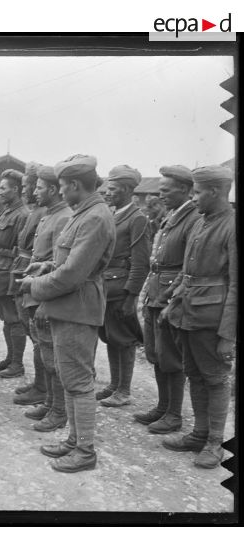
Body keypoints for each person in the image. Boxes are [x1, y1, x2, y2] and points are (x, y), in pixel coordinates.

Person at [19, 154, 116, 473]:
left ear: (75, 185)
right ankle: (75, 440)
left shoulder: (94, 217)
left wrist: (34, 285)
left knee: (78, 381)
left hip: (78, 306)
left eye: (61, 186)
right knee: (70, 377)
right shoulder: (85, 212)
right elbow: (70, 260)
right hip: (70, 305)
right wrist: (46, 265)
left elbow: (74, 273)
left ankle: (85, 450)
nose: (59, 192)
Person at [161, 165, 236, 469]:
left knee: (216, 379)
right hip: (188, 313)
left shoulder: (231, 225)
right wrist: (170, 301)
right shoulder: (201, 222)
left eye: (197, 192)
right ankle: (199, 433)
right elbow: (186, 271)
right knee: (194, 374)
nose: (193, 199)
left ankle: (215, 443)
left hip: (212, 318)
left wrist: (228, 333)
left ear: (215, 192)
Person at [133, 166, 200, 434]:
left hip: (170, 294)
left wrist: (171, 297)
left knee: (170, 357)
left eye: (166, 189)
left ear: (184, 190)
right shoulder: (172, 215)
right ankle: (162, 407)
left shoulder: (193, 218)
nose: (161, 194)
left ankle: (174, 415)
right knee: (155, 354)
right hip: (155, 292)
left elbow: (188, 266)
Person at [21, 165, 72, 431]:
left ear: (53, 190)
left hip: (47, 296)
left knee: (53, 357)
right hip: (37, 290)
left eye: (40, 187)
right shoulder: (47, 215)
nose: (34, 191)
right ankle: (51, 402)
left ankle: (59, 411)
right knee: (43, 351)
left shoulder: (64, 217)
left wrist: (45, 302)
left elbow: (59, 265)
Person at [97, 165, 150, 407]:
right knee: (110, 335)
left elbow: (140, 263)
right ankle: (114, 384)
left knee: (124, 338)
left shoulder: (137, 218)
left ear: (128, 190)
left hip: (121, 288)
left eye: (113, 189)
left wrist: (132, 297)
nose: (108, 193)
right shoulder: (114, 213)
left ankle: (124, 390)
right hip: (107, 286)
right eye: (107, 188)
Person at [0, 170, 30, 379]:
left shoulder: (22, 214)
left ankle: (17, 364)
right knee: (6, 318)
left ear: (16, 190)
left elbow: (22, 249)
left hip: (10, 271)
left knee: (15, 319)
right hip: (0, 270)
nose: (0, 192)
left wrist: (16, 277)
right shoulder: (8, 211)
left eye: (4, 188)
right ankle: (10, 358)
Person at [9, 163, 48, 405]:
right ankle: (39, 383)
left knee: (38, 335)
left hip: (34, 273)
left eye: (28, 185)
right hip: (24, 269)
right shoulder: (36, 210)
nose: (26, 190)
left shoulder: (43, 213)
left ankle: (43, 388)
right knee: (30, 328)